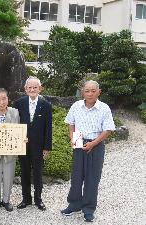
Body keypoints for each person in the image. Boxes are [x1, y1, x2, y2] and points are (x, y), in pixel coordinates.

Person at [61, 80, 115, 222]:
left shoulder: (104, 108)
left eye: (93, 91)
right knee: (76, 176)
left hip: (96, 145)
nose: (90, 94)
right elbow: (71, 123)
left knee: (92, 178)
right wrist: (72, 138)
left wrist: (93, 143)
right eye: (87, 91)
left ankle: (89, 209)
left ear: (99, 92)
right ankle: (74, 204)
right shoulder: (76, 106)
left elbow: (108, 129)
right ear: (82, 92)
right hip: (79, 142)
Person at [14, 76, 52, 211]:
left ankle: (38, 199)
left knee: (38, 173)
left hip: (38, 145)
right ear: (25, 89)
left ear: (40, 89)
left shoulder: (46, 105)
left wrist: (47, 147)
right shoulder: (18, 103)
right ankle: (26, 199)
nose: (32, 89)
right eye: (29, 87)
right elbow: (14, 124)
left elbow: (48, 128)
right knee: (24, 172)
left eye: (35, 87)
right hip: (22, 144)